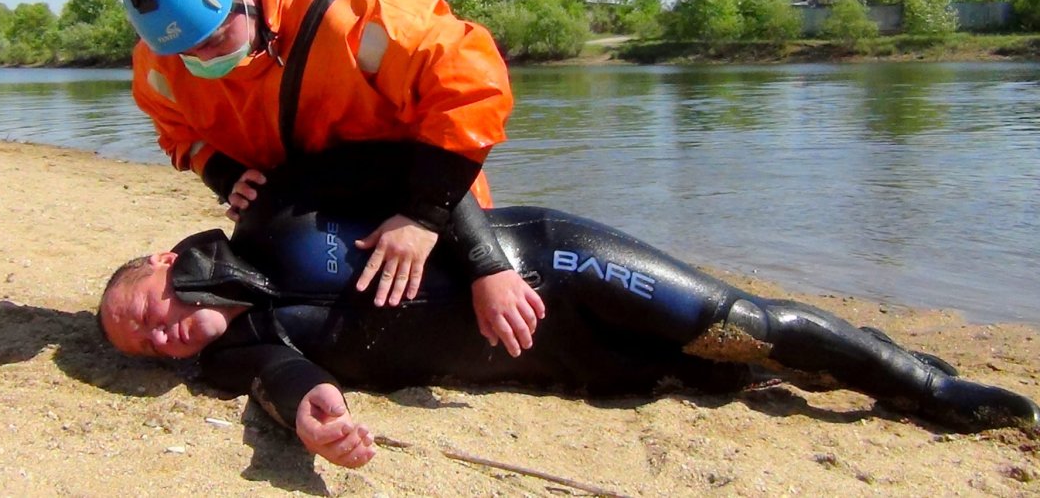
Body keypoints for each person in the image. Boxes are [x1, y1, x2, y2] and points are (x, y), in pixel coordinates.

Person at [98, 160, 1040, 469]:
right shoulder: (229, 356)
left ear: (159, 262)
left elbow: (434, 156)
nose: (159, 337)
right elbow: (284, 381)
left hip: (551, 265)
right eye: (143, 349)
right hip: (557, 365)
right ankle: (865, 355)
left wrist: (474, 259)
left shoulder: (272, 206)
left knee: (745, 327)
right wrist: (316, 416)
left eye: (143, 313)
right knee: (721, 375)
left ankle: (928, 383)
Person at [118, 0, 526, 322]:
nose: (202, 58)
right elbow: (178, 131)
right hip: (313, 227)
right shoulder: (160, 60)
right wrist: (223, 173)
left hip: (431, 211)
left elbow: (473, 85)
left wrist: (423, 217)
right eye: (186, 52)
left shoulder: (360, 11)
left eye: (213, 39)